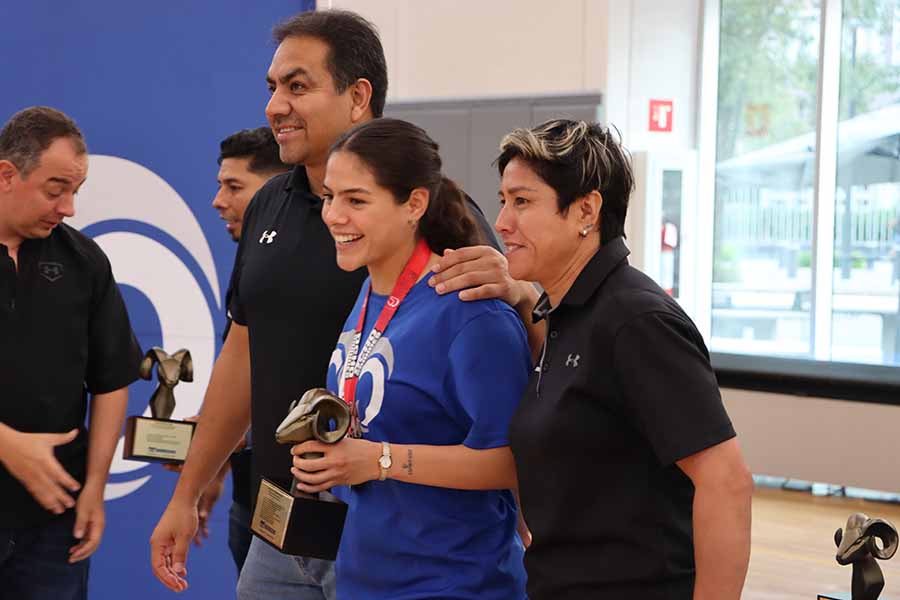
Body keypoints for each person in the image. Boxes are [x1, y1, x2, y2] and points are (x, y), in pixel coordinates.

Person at [149, 10, 513, 599]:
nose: (274, 106)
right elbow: (243, 358)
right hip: (278, 524)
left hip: (396, 534)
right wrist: (188, 491)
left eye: (297, 86)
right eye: (272, 88)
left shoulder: (447, 223)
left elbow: (502, 392)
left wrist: (518, 290)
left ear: (358, 96)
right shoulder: (270, 204)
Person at [495, 119, 753, 600]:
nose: (502, 222)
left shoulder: (635, 321)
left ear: (586, 211)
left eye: (522, 201)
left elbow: (726, 481)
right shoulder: (564, 313)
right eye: (503, 200)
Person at [289, 118, 530, 599]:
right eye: (330, 196)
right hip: (365, 579)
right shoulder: (368, 290)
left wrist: (377, 460)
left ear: (414, 204)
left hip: (457, 583)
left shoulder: (471, 311)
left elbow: (512, 461)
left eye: (356, 200)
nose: (335, 215)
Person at [0, 106, 143, 599]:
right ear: (7, 175)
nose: (67, 207)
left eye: (75, 191)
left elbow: (110, 381)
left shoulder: (84, 261)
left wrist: (95, 488)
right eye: (55, 189)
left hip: (53, 527)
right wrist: (7, 444)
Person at [182, 127, 290, 573]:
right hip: (254, 503)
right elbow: (247, 373)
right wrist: (214, 464)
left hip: (319, 506)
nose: (217, 201)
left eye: (233, 187)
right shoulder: (253, 261)